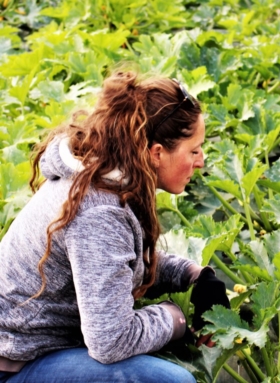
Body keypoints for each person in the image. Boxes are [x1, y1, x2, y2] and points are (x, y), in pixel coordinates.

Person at [0, 70, 229, 383]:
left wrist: (195, 277)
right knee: (173, 382)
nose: (201, 161)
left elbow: (117, 264)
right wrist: (173, 318)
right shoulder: (98, 213)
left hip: (30, 347)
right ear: (157, 153)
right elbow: (111, 342)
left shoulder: (105, 175)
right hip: (14, 364)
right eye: (194, 150)